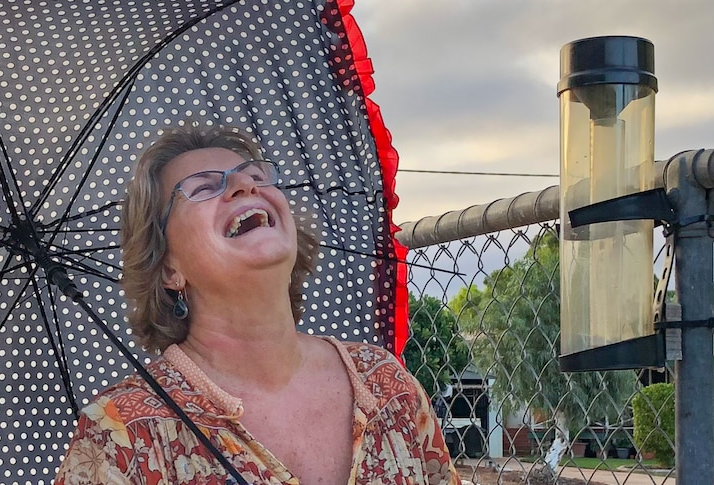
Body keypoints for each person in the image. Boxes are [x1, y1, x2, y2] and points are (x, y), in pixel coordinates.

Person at [54, 123, 461, 485]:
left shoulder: (387, 383)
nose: (245, 187)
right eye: (203, 187)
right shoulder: (121, 432)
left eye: (254, 176)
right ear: (167, 269)